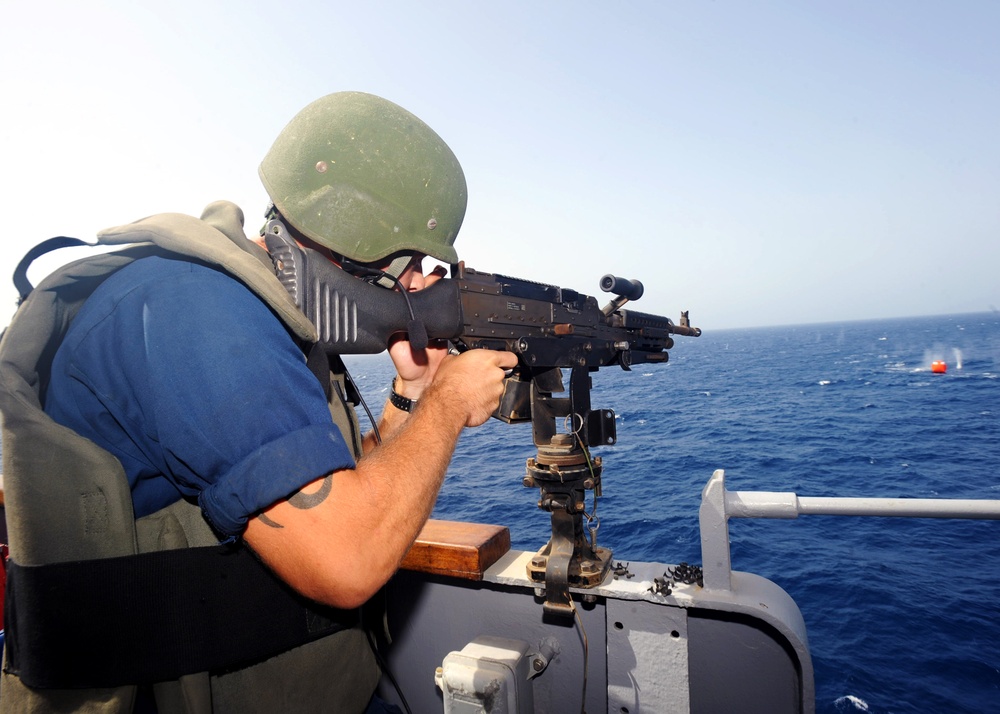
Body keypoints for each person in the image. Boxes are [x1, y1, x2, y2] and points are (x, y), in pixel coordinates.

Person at [0, 91, 517, 713]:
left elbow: (347, 495)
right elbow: (346, 559)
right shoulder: (197, 313)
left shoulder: (258, 311)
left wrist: (412, 393)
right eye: (415, 267)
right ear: (364, 241)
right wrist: (450, 406)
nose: (418, 288)